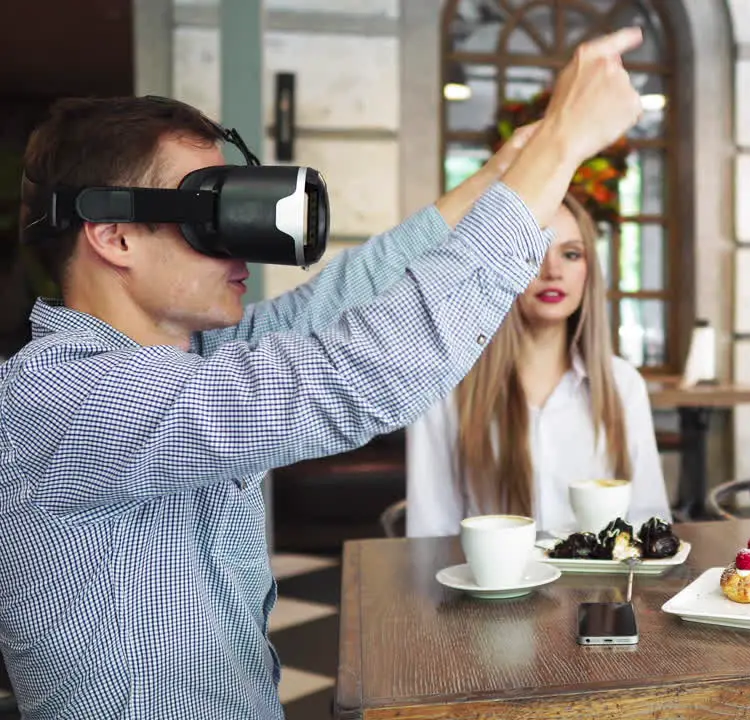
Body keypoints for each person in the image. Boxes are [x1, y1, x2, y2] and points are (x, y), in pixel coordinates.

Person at [0, 28, 645, 719]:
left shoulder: (197, 358)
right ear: (114, 234)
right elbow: (356, 371)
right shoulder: (62, 397)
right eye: (211, 217)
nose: (243, 252)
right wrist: (564, 146)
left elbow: (351, 297)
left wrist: (501, 172)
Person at [405, 194, 668, 536]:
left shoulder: (622, 383)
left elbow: (650, 522)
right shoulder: (447, 384)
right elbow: (430, 533)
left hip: (601, 588)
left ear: (589, 271)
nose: (553, 271)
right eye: (532, 252)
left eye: (571, 254)